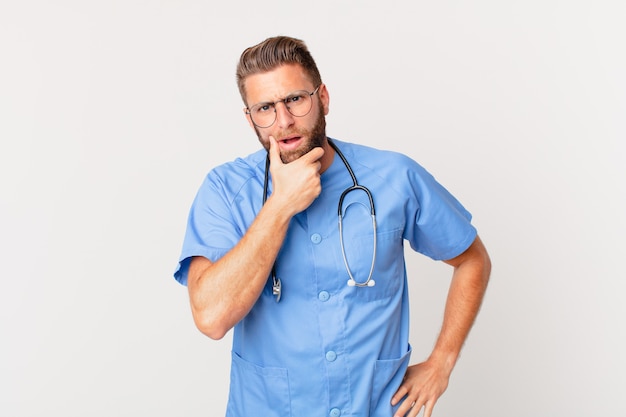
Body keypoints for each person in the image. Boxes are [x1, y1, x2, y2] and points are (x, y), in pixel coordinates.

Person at [174, 35, 491, 417]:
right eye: (265, 108)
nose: (284, 121)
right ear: (249, 118)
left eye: (295, 99)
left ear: (322, 98)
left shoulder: (393, 177)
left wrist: (441, 363)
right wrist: (280, 206)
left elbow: (472, 259)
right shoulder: (224, 191)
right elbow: (210, 318)